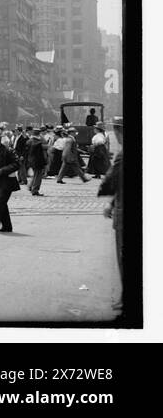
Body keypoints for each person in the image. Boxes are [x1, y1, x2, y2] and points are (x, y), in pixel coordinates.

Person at [96, 118, 124, 316]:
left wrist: (111, 200)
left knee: (123, 257)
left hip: (124, 214)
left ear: (117, 131)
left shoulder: (123, 155)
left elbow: (113, 182)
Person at [27, 126, 48, 196]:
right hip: (38, 161)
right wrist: (45, 162)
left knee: (35, 175)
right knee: (38, 176)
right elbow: (41, 154)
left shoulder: (29, 141)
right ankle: (35, 190)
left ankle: (30, 186)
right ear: (39, 134)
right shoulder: (39, 143)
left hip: (31, 160)